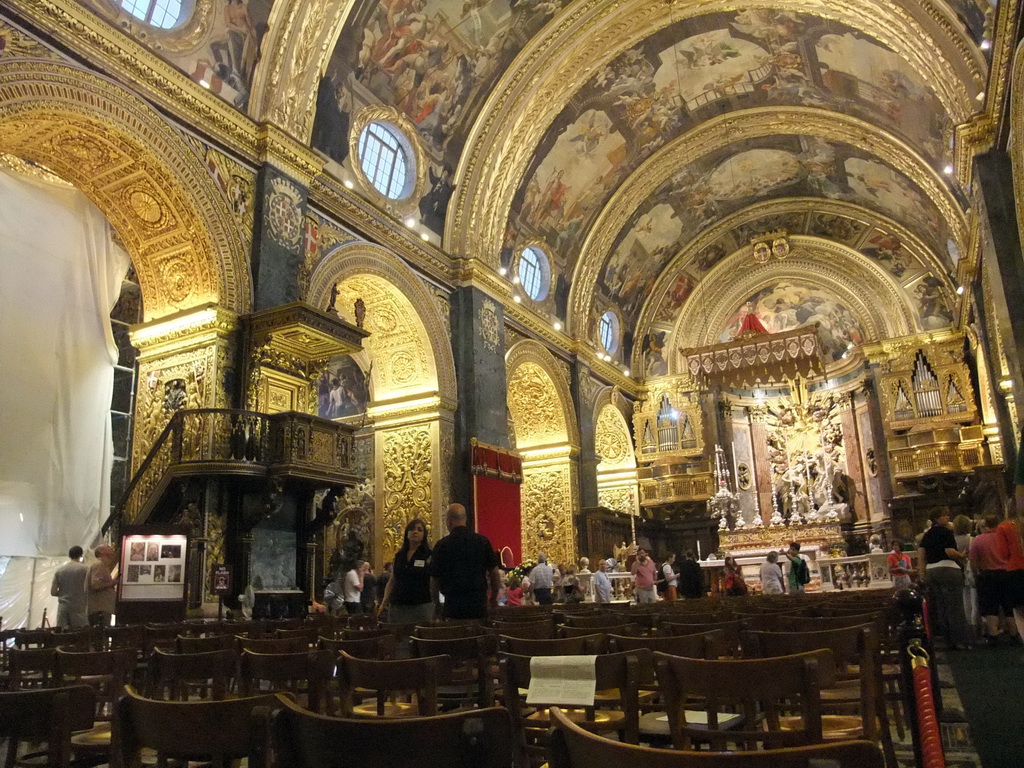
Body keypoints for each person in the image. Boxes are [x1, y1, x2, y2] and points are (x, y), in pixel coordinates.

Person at [430, 503, 502, 620]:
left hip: (453, 604)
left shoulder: (442, 545)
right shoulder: (482, 542)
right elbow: (494, 573)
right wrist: (493, 598)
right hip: (478, 603)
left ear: (449, 521)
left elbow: (434, 580)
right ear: (465, 520)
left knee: (455, 635)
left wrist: (437, 604)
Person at [918, 509, 972, 649]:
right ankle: (960, 640)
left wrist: (922, 575)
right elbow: (949, 552)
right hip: (947, 569)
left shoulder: (926, 535)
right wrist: (961, 555)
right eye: (944, 515)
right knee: (955, 606)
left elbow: (921, 556)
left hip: (931, 571)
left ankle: (947, 640)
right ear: (936, 518)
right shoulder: (945, 532)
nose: (947, 517)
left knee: (941, 607)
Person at [970, 514, 1017, 645]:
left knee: (990, 607)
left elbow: (973, 560)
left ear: (985, 524)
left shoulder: (978, 540)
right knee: (1009, 606)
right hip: (1007, 573)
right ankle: (1014, 634)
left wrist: (976, 574)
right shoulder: (1005, 537)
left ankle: (993, 635)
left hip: (988, 576)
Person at [378, 518, 434, 624]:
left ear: (424, 535)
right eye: (412, 529)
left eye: (419, 529)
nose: (415, 531)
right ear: (407, 533)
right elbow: (392, 580)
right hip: (398, 605)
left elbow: (433, 580)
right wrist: (384, 603)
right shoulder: (399, 555)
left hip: (420, 605)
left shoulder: (428, 555)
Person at [51, 546, 89, 628]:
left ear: (69, 556)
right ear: (81, 555)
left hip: (63, 608)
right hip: (79, 607)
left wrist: (64, 592)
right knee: (78, 635)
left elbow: (53, 592)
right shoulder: (85, 569)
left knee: (63, 636)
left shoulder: (59, 570)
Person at [953, 514, 978, 629]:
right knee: (974, 599)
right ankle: (975, 624)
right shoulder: (971, 539)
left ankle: (968, 624)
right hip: (970, 569)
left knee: (965, 599)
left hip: (958, 569)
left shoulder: (953, 539)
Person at [87, 544, 118, 627]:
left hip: (102, 609)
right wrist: (113, 583)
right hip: (100, 610)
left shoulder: (103, 566)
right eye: (108, 547)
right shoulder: (99, 565)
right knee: (101, 634)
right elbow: (95, 585)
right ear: (101, 552)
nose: (112, 548)